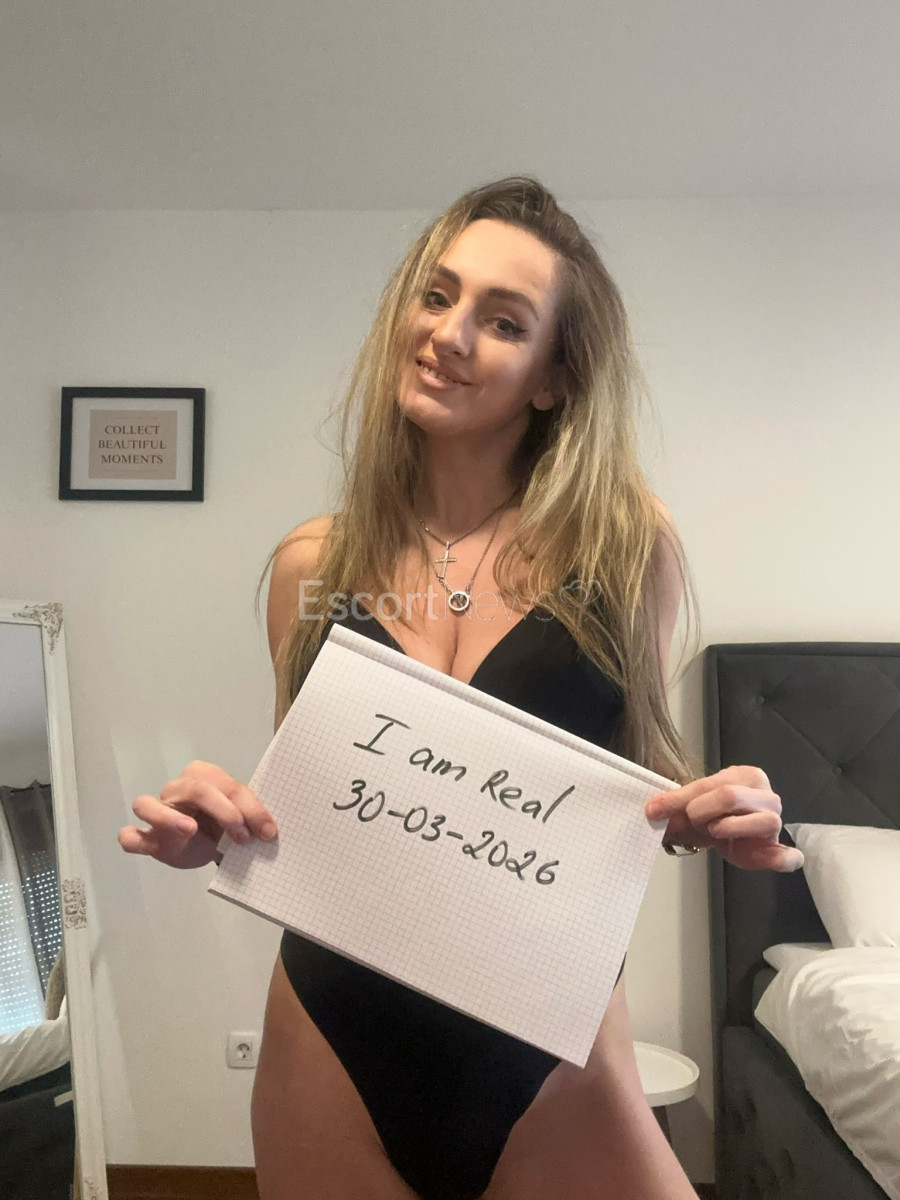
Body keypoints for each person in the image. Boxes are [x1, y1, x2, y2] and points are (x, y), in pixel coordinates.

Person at [118, 176, 803, 1200]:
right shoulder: (312, 566)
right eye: (436, 296)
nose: (449, 333)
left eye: (504, 320)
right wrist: (212, 829)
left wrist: (711, 813)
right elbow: (303, 815)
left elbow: (633, 790)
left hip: (551, 1051)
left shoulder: (624, 545)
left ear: (552, 377)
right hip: (332, 1039)